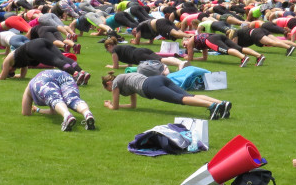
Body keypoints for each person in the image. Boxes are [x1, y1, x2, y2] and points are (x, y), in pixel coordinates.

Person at [100, 70, 231, 120]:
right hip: (158, 79)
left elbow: (115, 107)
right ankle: (221, 103)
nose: (111, 92)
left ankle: (212, 106)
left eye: (108, 89)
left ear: (109, 83)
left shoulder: (116, 83)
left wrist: (109, 105)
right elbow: (133, 106)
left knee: (181, 99)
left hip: (150, 86)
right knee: (189, 95)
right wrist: (120, 106)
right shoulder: (125, 79)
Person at [21, 69, 97, 131]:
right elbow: (54, 111)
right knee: (73, 99)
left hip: (41, 80)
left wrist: (34, 109)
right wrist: (38, 110)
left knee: (55, 100)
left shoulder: (30, 87)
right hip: (63, 75)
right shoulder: (54, 104)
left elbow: (26, 112)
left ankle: (67, 115)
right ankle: (87, 113)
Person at [103, 36, 188, 70]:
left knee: (161, 60)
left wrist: (111, 66)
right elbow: (130, 65)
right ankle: (180, 63)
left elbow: (116, 66)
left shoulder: (115, 50)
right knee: (161, 59)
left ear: (109, 46)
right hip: (142, 50)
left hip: (138, 55)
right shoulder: (121, 48)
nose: (109, 52)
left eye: (107, 50)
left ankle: (180, 64)